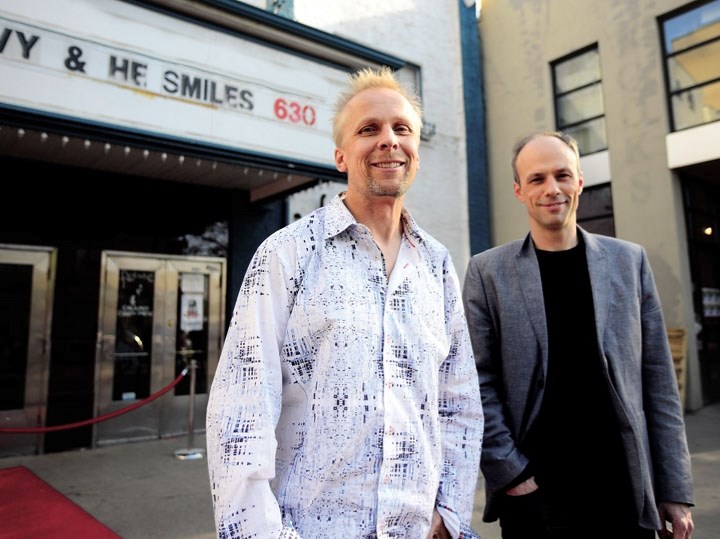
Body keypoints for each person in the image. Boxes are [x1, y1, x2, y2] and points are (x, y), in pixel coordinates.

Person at [206, 66, 484, 538]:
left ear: (417, 153)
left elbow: (458, 402)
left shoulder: (437, 265)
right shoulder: (286, 254)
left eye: (402, 129)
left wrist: (450, 514)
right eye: (368, 129)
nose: (388, 140)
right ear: (340, 155)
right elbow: (240, 413)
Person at [462, 131, 695, 539]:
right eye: (537, 179)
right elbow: (476, 381)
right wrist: (511, 473)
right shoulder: (487, 273)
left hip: (623, 490)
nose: (552, 189)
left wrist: (674, 488)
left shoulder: (629, 262)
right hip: (534, 498)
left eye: (562, 175)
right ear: (519, 190)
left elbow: (659, 381)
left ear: (580, 182)